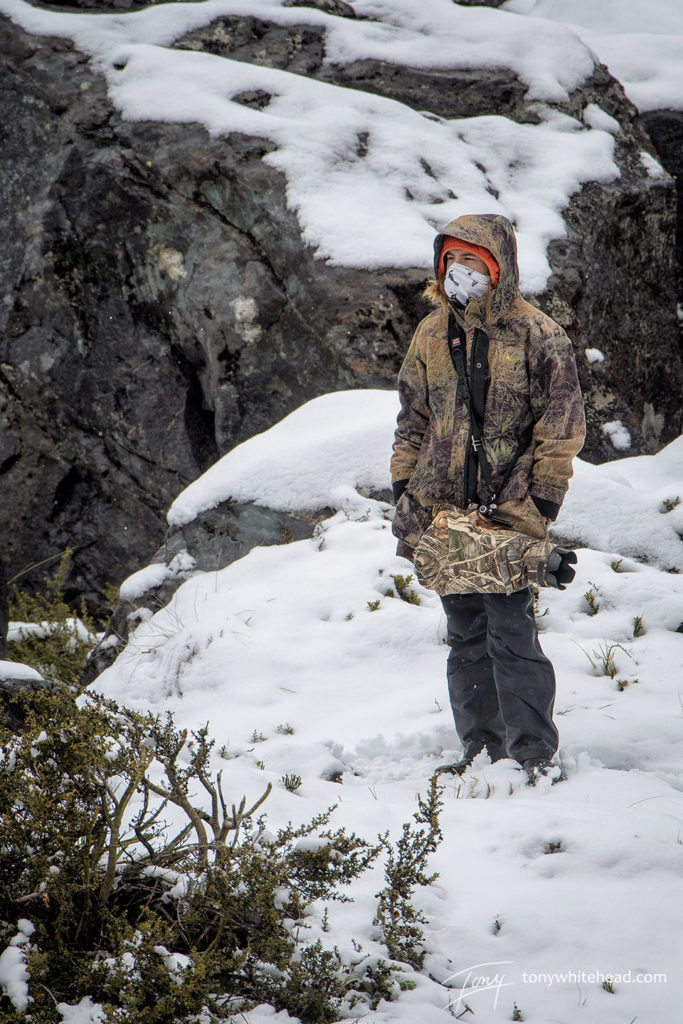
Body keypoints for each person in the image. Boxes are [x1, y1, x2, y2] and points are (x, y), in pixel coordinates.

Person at [390, 214, 586, 784]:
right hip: (444, 513)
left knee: (511, 634)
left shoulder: (538, 334)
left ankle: (531, 754)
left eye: (472, 261)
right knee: (466, 635)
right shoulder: (430, 333)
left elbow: (563, 422)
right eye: (452, 261)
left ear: (498, 267)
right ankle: (480, 746)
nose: (460, 272)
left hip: (511, 511)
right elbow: (412, 417)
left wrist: (543, 500)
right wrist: (405, 485)